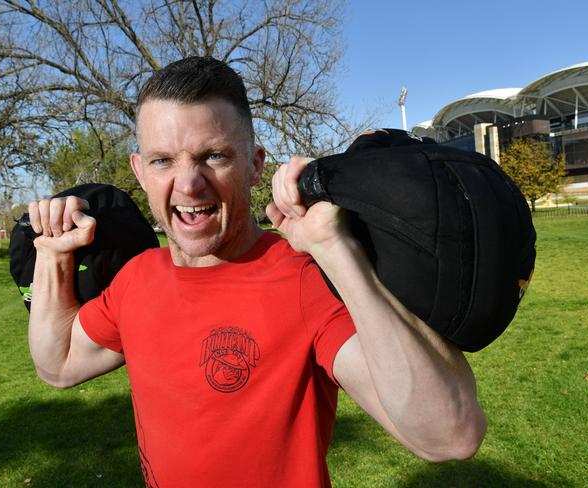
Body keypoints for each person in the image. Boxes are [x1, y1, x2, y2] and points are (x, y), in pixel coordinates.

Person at [27, 57, 487, 487]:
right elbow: (59, 364)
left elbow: (449, 434)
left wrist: (336, 250)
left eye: (214, 156)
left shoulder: (303, 278)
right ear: (140, 171)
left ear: (254, 165)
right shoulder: (136, 279)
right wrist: (52, 252)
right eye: (162, 160)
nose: (188, 183)